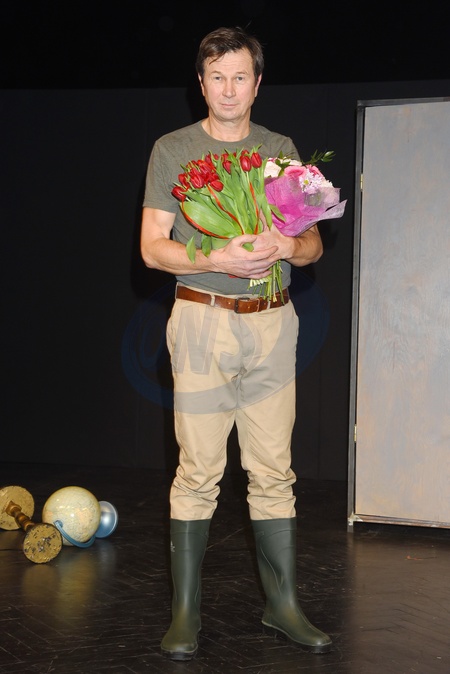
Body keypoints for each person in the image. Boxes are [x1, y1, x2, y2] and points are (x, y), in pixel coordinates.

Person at [140, 26, 332, 661]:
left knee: (274, 469)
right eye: (217, 77)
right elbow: (152, 248)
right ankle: (184, 614)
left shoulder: (280, 150)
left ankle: (283, 605)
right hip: (202, 319)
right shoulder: (173, 149)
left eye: (240, 77)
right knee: (198, 471)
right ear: (201, 84)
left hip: (273, 322)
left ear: (257, 83)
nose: (229, 89)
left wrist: (289, 244)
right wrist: (214, 257)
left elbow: (314, 245)